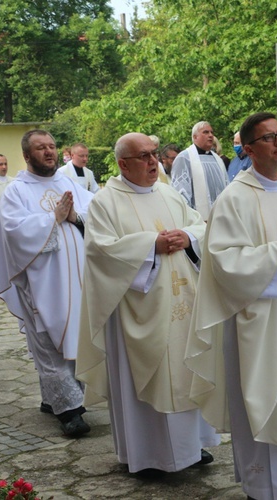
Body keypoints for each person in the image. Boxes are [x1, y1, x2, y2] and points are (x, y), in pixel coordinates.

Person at [186, 112, 277, 500]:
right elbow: (222, 260)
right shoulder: (234, 198)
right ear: (249, 148)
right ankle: (265, 489)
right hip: (257, 322)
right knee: (265, 401)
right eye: (269, 138)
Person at [76, 132, 218, 474]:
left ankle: (192, 448)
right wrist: (150, 245)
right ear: (123, 164)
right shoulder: (105, 202)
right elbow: (100, 250)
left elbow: (199, 224)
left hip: (182, 299)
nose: (153, 161)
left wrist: (188, 237)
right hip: (136, 310)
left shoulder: (168, 193)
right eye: (144, 156)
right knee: (148, 377)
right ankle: (149, 457)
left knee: (186, 369)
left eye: (154, 154)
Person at [0, 130, 94, 437]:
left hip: (77, 278)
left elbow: (95, 213)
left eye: (51, 147)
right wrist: (52, 217)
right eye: (41, 148)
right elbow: (13, 230)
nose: (48, 152)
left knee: (76, 334)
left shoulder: (68, 183)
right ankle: (70, 410)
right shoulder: (16, 191)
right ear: (27, 156)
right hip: (40, 280)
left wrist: (76, 217)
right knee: (48, 341)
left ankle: (52, 398)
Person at [170, 121, 229, 220]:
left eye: (211, 132)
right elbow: (180, 191)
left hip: (221, 216)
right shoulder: (185, 157)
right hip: (198, 218)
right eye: (205, 132)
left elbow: (226, 185)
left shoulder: (217, 159)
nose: (210, 135)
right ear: (195, 137)